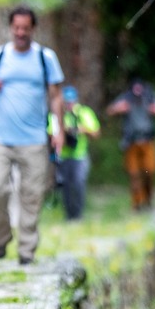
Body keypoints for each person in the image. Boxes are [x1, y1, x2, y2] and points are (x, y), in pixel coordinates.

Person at [0, 5, 64, 265]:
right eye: (17, 28)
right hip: (0, 137)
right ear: (11, 28)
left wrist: (58, 131)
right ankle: (1, 237)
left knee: (32, 195)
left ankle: (26, 250)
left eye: (25, 28)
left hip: (34, 139)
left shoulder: (46, 58)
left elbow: (56, 97)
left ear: (33, 29)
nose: (21, 33)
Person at [106, 78, 155, 210]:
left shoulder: (150, 97)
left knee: (149, 171)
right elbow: (110, 110)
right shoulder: (126, 98)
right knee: (134, 173)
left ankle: (148, 199)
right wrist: (118, 109)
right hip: (131, 141)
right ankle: (137, 203)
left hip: (148, 141)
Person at [48, 87, 101, 220]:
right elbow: (50, 133)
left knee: (78, 183)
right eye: (66, 102)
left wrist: (81, 130)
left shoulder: (84, 113)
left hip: (80, 155)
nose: (69, 105)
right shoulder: (57, 115)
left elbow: (96, 132)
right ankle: (68, 214)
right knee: (65, 186)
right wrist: (63, 131)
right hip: (63, 156)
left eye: (71, 102)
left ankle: (78, 214)